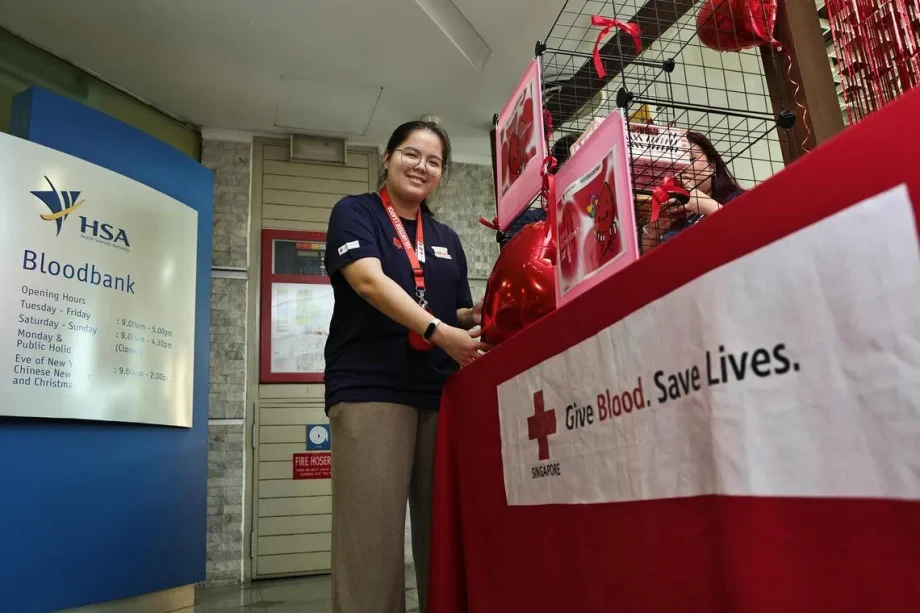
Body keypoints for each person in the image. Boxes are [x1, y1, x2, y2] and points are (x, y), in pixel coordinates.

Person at [322, 120, 488, 613]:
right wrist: (438, 331)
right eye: (412, 154)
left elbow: (453, 308)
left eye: (434, 162)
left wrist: (476, 316)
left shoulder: (446, 238)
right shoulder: (356, 213)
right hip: (373, 388)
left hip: (439, 392)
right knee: (371, 537)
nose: (422, 166)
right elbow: (369, 283)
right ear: (388, 157)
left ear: (442, 176)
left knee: (443, 534)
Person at [659, 130, 746, 241]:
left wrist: (709, 207)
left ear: (712, 166)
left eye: (691, 159)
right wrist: (650, 236)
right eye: (675, 162)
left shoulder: (739, 199)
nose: (683, 167)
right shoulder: (671, 220)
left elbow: (750, 234)